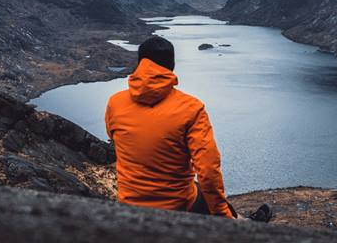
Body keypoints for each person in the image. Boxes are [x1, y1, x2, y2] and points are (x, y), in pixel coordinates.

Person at [105, 35, 272, 222]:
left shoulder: (115, 103)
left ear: (139, 63)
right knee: (205, 194)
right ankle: (243, 225)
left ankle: (241, 219)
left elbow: (115, 139)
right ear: (172, 66)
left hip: (129, 203)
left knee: (198, 188)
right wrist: (221, 215)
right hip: (176, 206)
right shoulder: (191, 108)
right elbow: (208, 170)